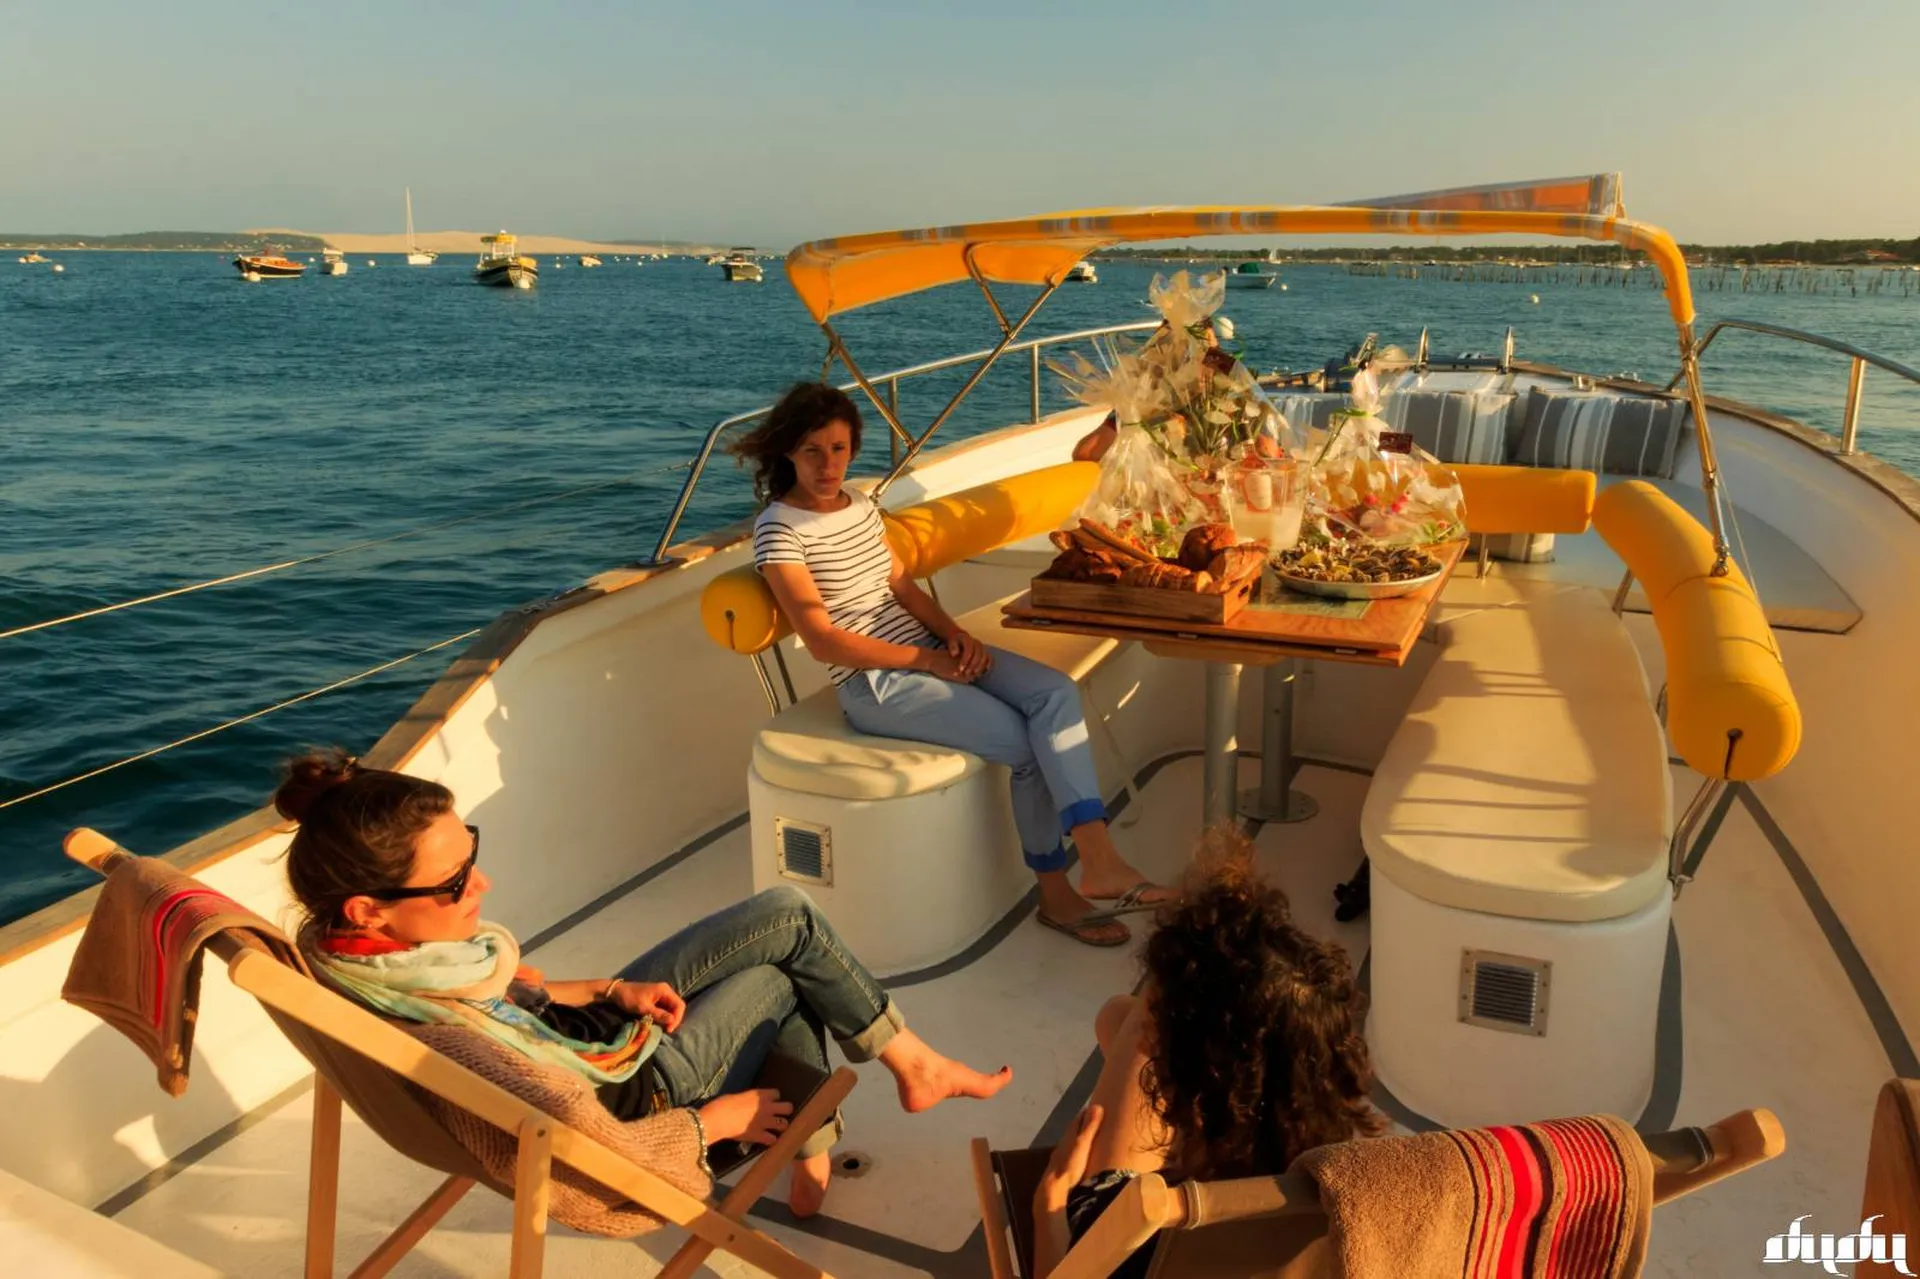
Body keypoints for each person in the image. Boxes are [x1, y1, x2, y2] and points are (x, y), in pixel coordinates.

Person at [274, 749, 1011, 1218]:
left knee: (786, 914)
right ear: (368, 907)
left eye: (473, 853)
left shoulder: (353, 960)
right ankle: (856, 1107)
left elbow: (514, 1004)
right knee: (785, 968)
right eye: (455, 881)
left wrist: (606, 989)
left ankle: (857, 1107)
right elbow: (588, 1142)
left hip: (588, 1037)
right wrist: (715, 1123)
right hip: (638, 1093)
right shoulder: (453, 1038)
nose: (483, 884)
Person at [733, 382, 1177, 948]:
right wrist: (930, 661)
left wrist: (956, 635)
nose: (827, 465)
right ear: (788, 452)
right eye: (812, 451)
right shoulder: (778, 529)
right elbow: (823, 641)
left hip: (931, 649)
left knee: (1055, 693)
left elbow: (901, 586)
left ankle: (1099, 859)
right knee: (1026, 745)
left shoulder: (859, 506)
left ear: (853, 449)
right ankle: (1056, 894)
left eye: (838, 449)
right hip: (878, 684)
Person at [1031, 832, 1384, 1278]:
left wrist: (1047, 1209)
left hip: (1116, 1248)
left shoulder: (1123, 1237)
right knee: (1120, 1016)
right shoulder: (1346, 1204)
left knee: (1129, 1018)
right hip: (1260, 1175)